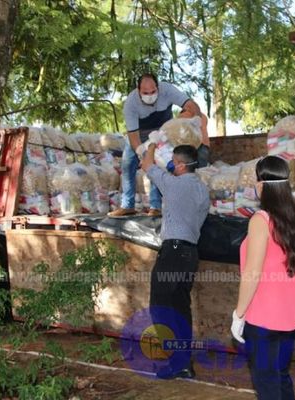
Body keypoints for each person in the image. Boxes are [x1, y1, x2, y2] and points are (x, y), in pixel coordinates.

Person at [230, 156, 295, 400]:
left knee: (266, 382)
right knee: (281, 374)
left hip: (264, 318)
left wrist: (239, 314)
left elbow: (252, 274)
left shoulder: (260, 220)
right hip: (292, 317)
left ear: (262, 185)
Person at [141, 143, 210, 379]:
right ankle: (183, 363)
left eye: (172, 161)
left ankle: (174, 363)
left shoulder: (172, 184)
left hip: (172, 253)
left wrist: (150, 145)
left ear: (179, 165)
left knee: (161, 308)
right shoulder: (202, 189)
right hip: (190, 254)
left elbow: (146, 164)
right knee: (181, 309)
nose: (170, 164)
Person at [109, 73, 203, 217]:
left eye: (153, 91)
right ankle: (127, 205)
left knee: (158, 165)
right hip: (138, 133)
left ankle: (155, 206)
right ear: (138, 90)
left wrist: (196, 119)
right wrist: (142, 153)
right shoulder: (131, 103)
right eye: (145, 93)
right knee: (128, 166)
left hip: (162, 132)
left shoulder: (168, 90)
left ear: (158, 87)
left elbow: (191, 105)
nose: (150, 95)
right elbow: (133, 136)